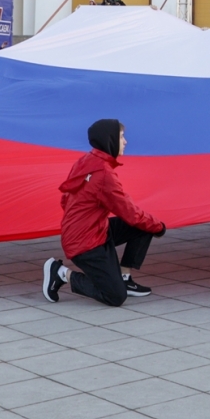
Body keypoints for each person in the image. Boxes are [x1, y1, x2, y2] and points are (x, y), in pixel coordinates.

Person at [41, 118, 165, 306]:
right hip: (85, 243)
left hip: (92, 230)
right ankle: (61, 273)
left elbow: (65, 198)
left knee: (143, 227)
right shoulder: (104, 174)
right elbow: (129, 212)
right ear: (110, 140)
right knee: (115, 297)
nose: (125, 142)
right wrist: (160, 227)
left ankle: (124, 279)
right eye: (122, 137)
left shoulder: (86, 161)